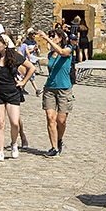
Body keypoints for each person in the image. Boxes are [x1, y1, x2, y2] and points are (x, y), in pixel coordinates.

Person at [0, 41, 34, 161]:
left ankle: (14, 143)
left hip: (12, 92)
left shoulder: (15, 57)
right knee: (0, 123)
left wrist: (23, 82)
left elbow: (31, 67)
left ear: (5, 45)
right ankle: (0, 151)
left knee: (14, 122)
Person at [41, 28, 75, 156]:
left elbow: (61, 52)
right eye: (50, 36)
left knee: (61, 121)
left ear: (60, 38)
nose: (51, 38)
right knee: (50, 118)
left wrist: (46, 38)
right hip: (50, 89)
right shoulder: (50, 55)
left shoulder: (68, 50)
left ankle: (59, 140)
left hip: (64, 89)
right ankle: (54, 147)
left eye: (53, 36)